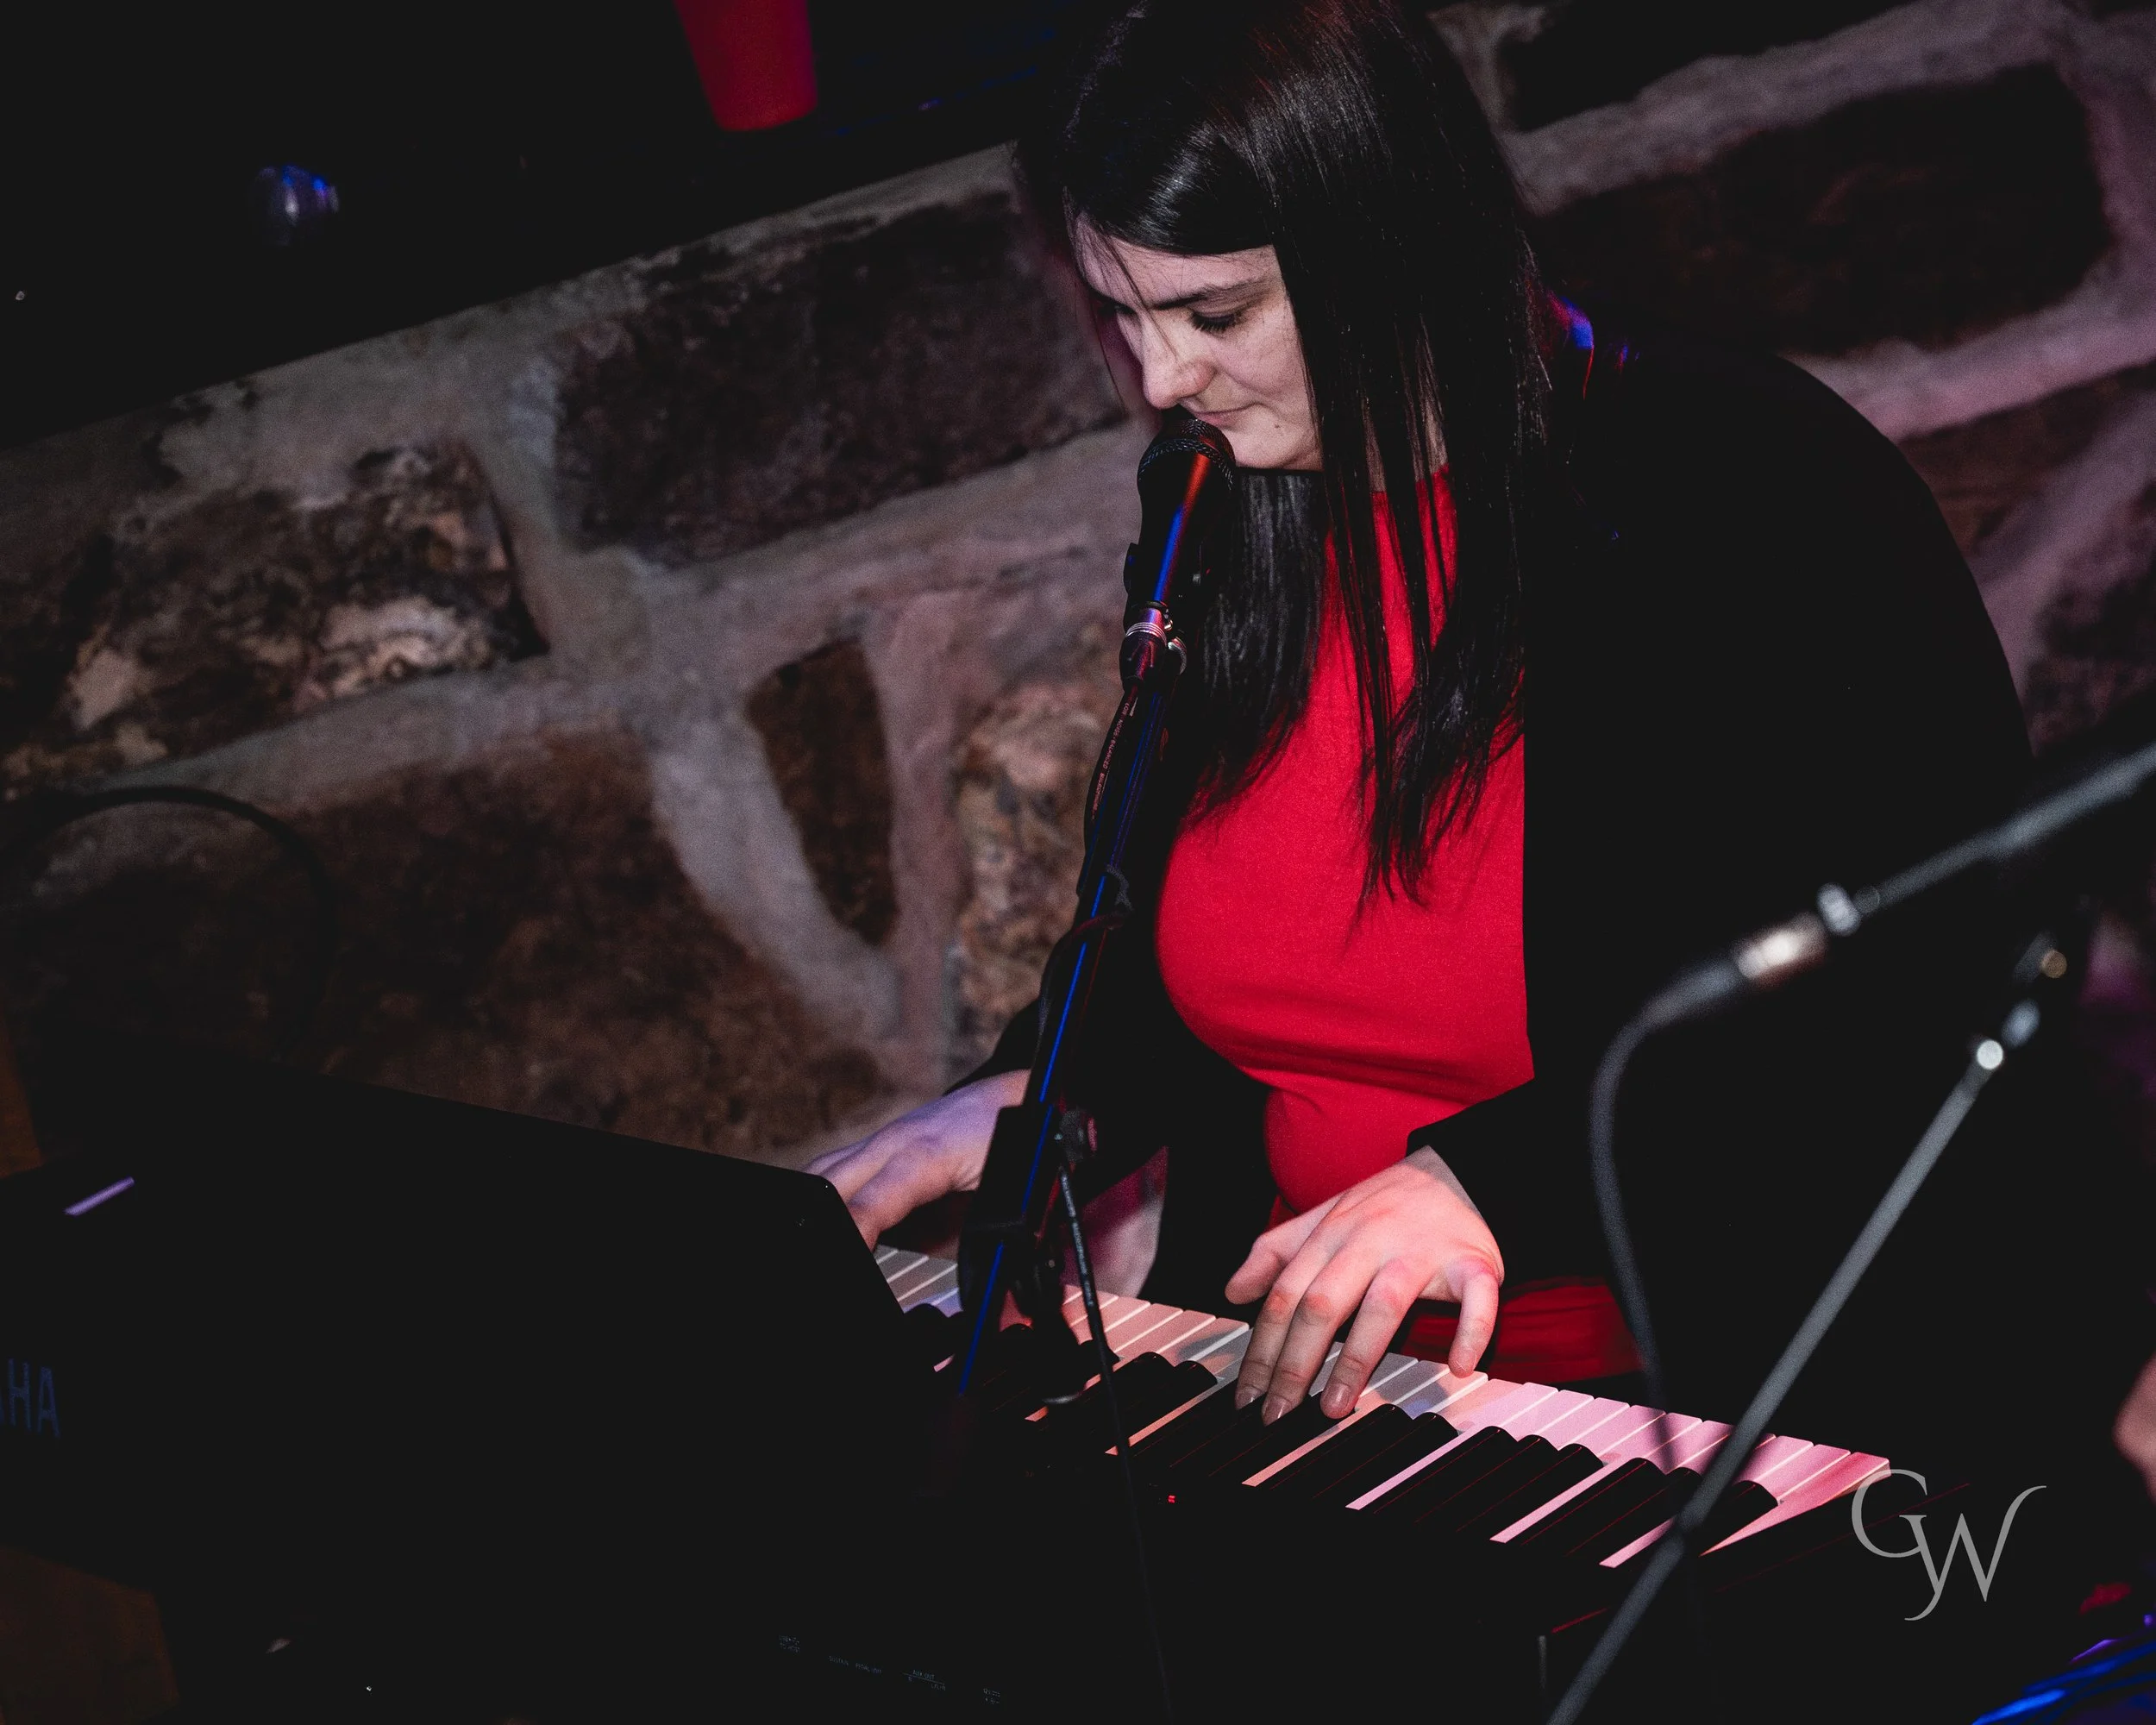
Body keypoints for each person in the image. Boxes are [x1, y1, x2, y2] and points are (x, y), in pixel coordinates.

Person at [812, 0, 2147, 1470]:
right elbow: (1209, 928)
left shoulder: (1740, 488)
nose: (1161, 383)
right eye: (1120, 317)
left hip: (1706, 1392)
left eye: (1212, 315)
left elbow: (1894, 981)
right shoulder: (1226, 510)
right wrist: (1044, 1089)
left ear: (1389, 244)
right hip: (1318, 1380)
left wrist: (1491, 1180)